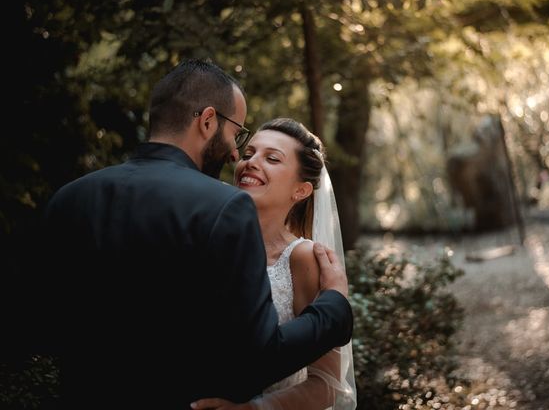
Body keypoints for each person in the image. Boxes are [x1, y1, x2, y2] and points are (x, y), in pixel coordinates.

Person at [33, 59, 353, 409]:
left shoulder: (68, 197)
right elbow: (255, 358)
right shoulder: (221, 208)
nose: (236, 155)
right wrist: (335, 306)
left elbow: (43, 326)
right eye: (239, 139)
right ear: (207, 121)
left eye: (271, 158)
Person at [191, 118, 357, 410]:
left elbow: (327, 385)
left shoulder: (304, 259)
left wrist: (254, 409)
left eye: (272, 158)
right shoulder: (205, 240)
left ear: (301, 191)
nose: (252, 162)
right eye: (248, 154)